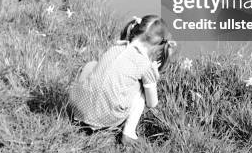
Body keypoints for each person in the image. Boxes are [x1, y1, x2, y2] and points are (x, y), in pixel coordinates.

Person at [69, 15, 176, 145]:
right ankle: (129, 134)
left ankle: (79, 111)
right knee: (142, 89)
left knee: (91, 65)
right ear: (157, 45)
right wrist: (153, 75)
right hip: (106, 117)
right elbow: (152, 103)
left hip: (79, 110)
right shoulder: (145, 64)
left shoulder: (115, 48)